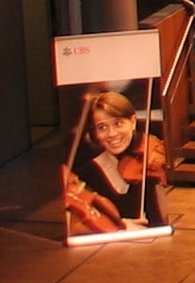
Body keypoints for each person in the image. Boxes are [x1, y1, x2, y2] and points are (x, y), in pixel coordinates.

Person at [63, 89, 152, 235]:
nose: (112, 134)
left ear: (133, 122)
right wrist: (119, 226)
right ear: (94, 134)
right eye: (102, 127)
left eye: (118, 123)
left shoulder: (153, 158)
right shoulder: (86, 175)